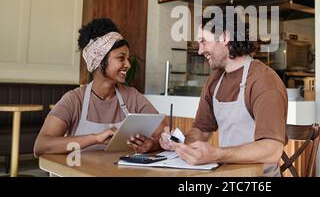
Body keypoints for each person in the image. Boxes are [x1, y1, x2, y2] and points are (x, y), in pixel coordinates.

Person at [160, 13, 288, 177]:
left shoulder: (264, 80)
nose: (200, 50)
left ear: (225, 36)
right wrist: (179, 143)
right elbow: (201, 130)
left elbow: (272, 150)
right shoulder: (214, 81)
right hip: (224, 174)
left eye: (203, 41)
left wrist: (218, 154)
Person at [34, 18, 164, 156]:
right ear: (99, 60)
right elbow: (41, 145)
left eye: (128, 58)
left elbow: (164, 133)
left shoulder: (132, 97)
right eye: (121, 58)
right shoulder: (74, 100)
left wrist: (152, 144)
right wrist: (95, 138)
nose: (128, 64)